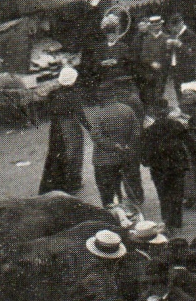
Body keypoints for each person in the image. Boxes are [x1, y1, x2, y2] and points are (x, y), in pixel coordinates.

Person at [141, 98, 191, 230]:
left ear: (155, 111)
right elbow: (190, 144)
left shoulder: (149, 130)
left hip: (159, 168)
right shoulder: (177, 125)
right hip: (177, 166)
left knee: (163, 195)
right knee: (177, 193)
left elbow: (145, 151)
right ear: (167, 109)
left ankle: (167, 221)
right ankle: (177, 221)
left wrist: (146, 162)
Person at [39, 66, 90, 195]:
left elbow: (47, 110)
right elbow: (80, 115)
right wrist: (90, 128)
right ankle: (72, 183)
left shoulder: (53, 94)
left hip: (56, 128)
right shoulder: (72, 96)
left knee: (56, 154)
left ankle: (55, 184)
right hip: (70, 127)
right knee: (73, 154)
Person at [91, 88, 142, 207]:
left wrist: (113, 146)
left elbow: (96, 136)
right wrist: (129, 145)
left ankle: (114, 210)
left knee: (108, 193)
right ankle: (135, 206)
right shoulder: (127, 109)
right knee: (131, 183)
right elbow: (136, 130)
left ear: (101, 99)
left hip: (104, 160)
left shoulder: (99, 114)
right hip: (126, 155)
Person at [137, 16, 170, 113]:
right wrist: (152, 63)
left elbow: (169, 55)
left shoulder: (166, 38)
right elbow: (143, 56)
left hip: (162, 72)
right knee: (151, 95)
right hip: (150, 73)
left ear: (161, 25)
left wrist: (162, 64)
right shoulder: (147, 40)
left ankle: (161, 113)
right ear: (150, 27)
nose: (156, 28)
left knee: (160, 94)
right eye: (153, 26)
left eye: (157, 25)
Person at [165, 14, 196, 102]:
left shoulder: (189, 34)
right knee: (178, 90)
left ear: (181, 23)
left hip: (187, 68)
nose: (174, 29)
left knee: (189, 91)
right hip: (175, 67)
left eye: (175, 26)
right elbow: (169, 51)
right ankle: (182, 108)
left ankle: (191, 110)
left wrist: (179, 44)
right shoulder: (173, 34)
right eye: (172, 27)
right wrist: (168, 47)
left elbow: (192, 52)